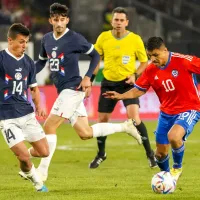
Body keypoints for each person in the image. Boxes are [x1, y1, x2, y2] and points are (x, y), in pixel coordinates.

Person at [19, 3, 142, 182]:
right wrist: (27, 74)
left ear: (67, 20)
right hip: (62, 90)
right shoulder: (46, 39)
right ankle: (125, 126)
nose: (59, 23)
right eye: (56, 19)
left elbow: (95, 56)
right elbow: (41, 62)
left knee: (49, 126)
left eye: (62, 19)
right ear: (50, 20)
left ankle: (42, 172)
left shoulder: (74, 38)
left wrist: (87, 78)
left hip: (73, 89)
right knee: (85, 133)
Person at [104, 36, 200, 183]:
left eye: (156, 55)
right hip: (166, 113)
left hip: (189, 108)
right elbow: (138, 90)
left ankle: (177, 168)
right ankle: (167, 180)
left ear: (165, 50)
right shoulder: (150, 70)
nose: (153, 59)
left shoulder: (183, 60)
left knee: (174, 137)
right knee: (160, 154)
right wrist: (121, 96)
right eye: (150, 56)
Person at [89, 7, 157, 169]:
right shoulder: (104, 38)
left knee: (134, 118)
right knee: (102, 121)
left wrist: (135, 75)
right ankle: (101, 154)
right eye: (116, 20)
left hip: (127, 84)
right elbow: (96, 60)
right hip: (108, 83)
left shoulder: (135, 39)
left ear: (126, 22)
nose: (118, 23)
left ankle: (150, 154)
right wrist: (90, 80)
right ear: (111, 21)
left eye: (121, 20)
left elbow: (144, 62)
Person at [0, 23, 49, 192]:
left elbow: (34, 88)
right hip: (7, 117)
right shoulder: (1, 59)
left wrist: (39, 106)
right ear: (10, 41)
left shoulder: (28, 62)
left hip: (27, 114)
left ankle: (24, 166)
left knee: (44, 152)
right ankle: (38, 183)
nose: (24, 45)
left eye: (26, 42)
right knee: (24, 157)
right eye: (21, 42)